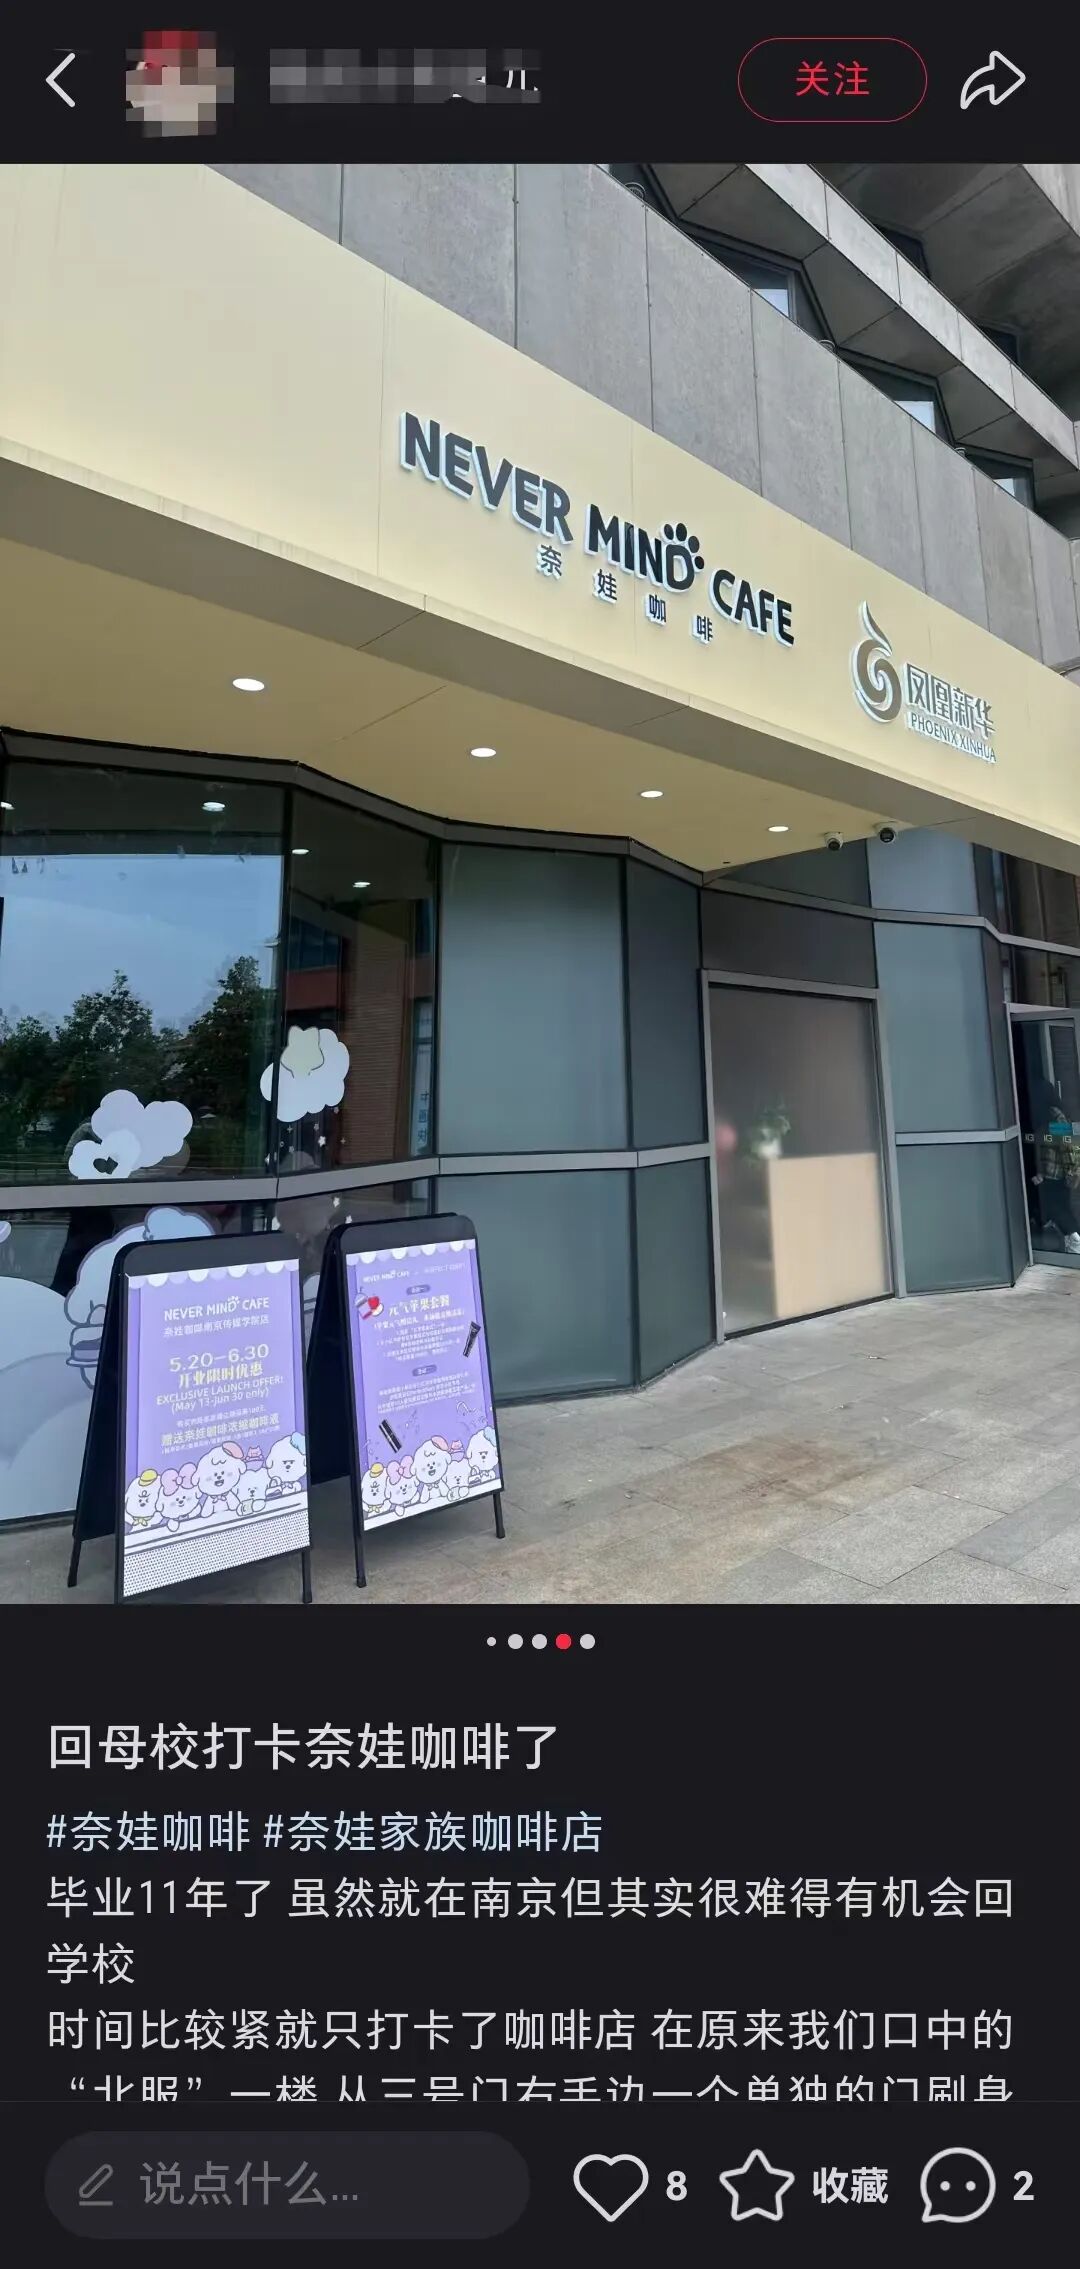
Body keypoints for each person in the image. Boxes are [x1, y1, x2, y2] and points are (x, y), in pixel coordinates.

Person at [1026, 1067, 1080, 1254]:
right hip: (1052, 1172)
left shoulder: (1055, 1117)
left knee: (1056, 1208)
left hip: (1055, 1173)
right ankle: (1071, 1240)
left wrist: (1073, 1172)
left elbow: (1068, 1145)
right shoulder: (1048, 1116)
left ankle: (1074, 1239)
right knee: (1057, 1207)